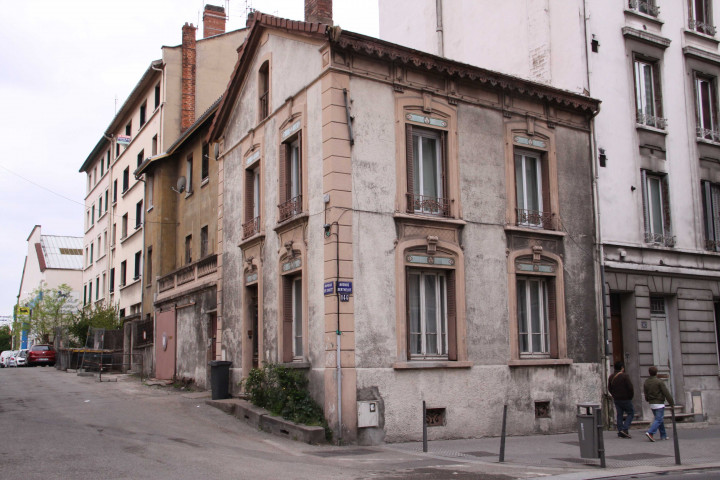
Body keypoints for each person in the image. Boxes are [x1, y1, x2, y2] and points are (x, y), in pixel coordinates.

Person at [643, 366, 674, 441]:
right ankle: (650, 432)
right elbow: (666, 392)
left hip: (651, 403)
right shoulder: (659, 381)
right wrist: (671, 403)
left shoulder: (646, 382)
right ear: (656, 373)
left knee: (659, 419)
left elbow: (645, 392)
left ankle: (663, 435)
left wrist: (647, 399)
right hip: (659, 403)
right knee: (659, 419)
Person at [608, 360, 634, 438]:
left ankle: (620, 431)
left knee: (619, 414)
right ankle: (625, 429)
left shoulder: (611, 376)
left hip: (616, 399)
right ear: (622, 368)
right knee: (631, 413)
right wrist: (630, 396)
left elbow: (609, 388)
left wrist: (614, 395)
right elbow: (630, 387)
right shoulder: (625, 376)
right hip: (625, 398)